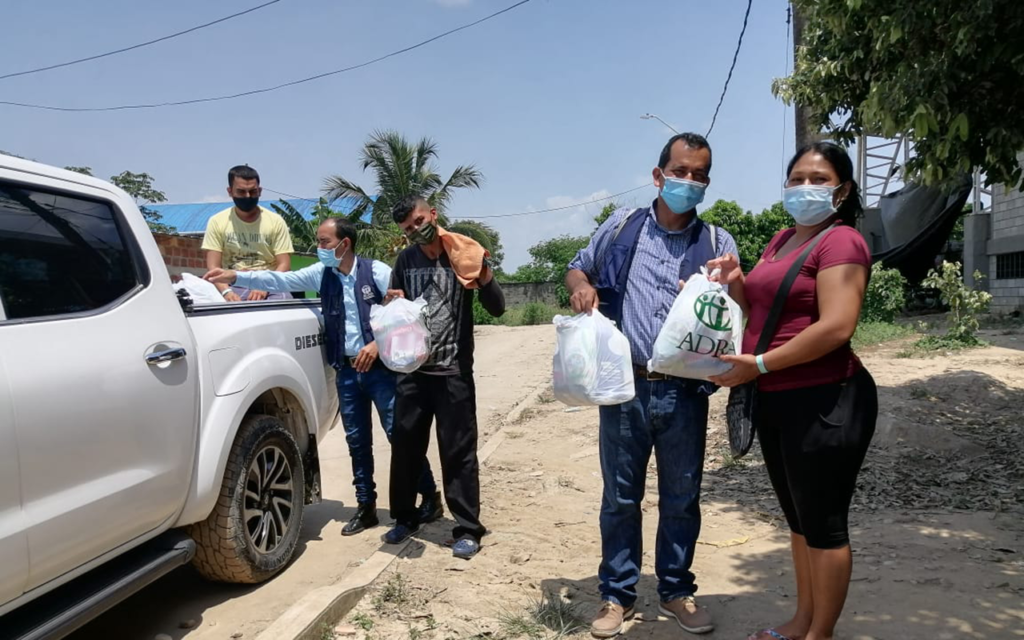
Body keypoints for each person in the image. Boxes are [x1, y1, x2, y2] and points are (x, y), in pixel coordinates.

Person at [564, 132, 737, 638]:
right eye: (680, 171)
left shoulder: (718, 242)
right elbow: (578, 267)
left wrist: (724, 287)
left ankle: (677, 592)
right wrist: (582, 288)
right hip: (625, 387)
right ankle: (616, 596)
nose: (689, 181)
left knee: (682, 496)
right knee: (620, 497)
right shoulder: (622, 227)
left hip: (685, 391)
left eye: (699, 174)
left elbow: (732, 309)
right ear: (658, 175)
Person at [707, 142, 877, 640]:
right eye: (797, 178)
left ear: (842, 191)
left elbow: (837, 327)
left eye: (818, 179)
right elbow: (760, 311)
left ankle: (819, 634)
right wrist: (736, 281)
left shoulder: (841, 242)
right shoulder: (782, 240)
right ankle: (802, 622)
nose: (805, 187)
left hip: (826, 398)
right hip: (777, 397)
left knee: (823, 526)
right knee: (799, 523)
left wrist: (757, 364)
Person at [202, 217, 442, 535]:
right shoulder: (323, 274)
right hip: (345, 370)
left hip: (380, 371)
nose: (319, 248)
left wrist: (375, 343)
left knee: (399, 437)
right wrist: (235, 276)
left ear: (345, 244)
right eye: (318, 241)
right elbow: (278, 280)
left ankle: (428, 497)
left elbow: (406, 316)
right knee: (357, 442)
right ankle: (365, 506)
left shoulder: (378, 272)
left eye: (325, 242)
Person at [382, 196, 505, 560]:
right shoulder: (405, 260)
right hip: (413, 373)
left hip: (453, 374)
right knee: (405, 449)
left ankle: (468, 528)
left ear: (432, 214)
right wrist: (393, 302)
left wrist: (483, 274)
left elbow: (497, 307)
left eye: (419, 221)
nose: (415, 230)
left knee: (459, 454)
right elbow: (396, 303)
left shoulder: (463, 251)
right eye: (407, 229)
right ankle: (405, 517)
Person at [202, 165, 294, 302]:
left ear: (260, 191)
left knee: (282, 309)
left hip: (269, 285)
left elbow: (284, 264)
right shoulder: (217, 221)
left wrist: (265, 285)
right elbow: (213, 267)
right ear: (229, 191)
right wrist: (226, 292)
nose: (247, 196)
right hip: (232, 283)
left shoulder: (275, 221)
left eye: (252, 191)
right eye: (241, 192)